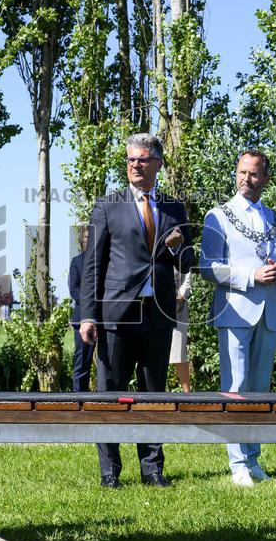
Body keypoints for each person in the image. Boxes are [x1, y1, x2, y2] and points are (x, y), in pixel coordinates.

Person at [79, 133, 193, 489]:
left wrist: (177, 247)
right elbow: (92, 265)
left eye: (142, 159)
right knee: (109, 393)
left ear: (157, 163)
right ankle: (110, 472)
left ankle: (152, 468)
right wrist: (88, 315)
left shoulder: (174, 208)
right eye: (130, 159)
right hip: (117, 314)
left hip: (158, 314)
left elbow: (187, 262)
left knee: (153, 395)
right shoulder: (107, 206)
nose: (135, 165)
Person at [200, 150, 276, 487]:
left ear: (265, 178)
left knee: (260, 389)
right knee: (236, 388)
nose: (247, 179)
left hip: (268, 312)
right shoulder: (218, 215)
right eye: (242, 172)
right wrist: (252, 276)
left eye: (254, 174)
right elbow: (208, 267)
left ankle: (254, 459)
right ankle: (238, 463)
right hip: (234, 311)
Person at [68, 227, 94, 392]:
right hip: (82, 318)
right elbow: (74, 290)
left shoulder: (106, 261)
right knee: (82, 362)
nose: (88, 239)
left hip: (105, 318)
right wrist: (91, 305)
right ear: (81, 240)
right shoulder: (76, 262)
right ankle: (79, 398)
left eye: (90, 236)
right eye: (85, 236)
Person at [168, 271, 193, 392]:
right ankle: (154, 395)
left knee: (179, 354)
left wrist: (181, 296)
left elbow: (187, 279)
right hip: (152, 306)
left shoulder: (182, 257)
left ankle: (188, 395)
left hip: (178, 307)